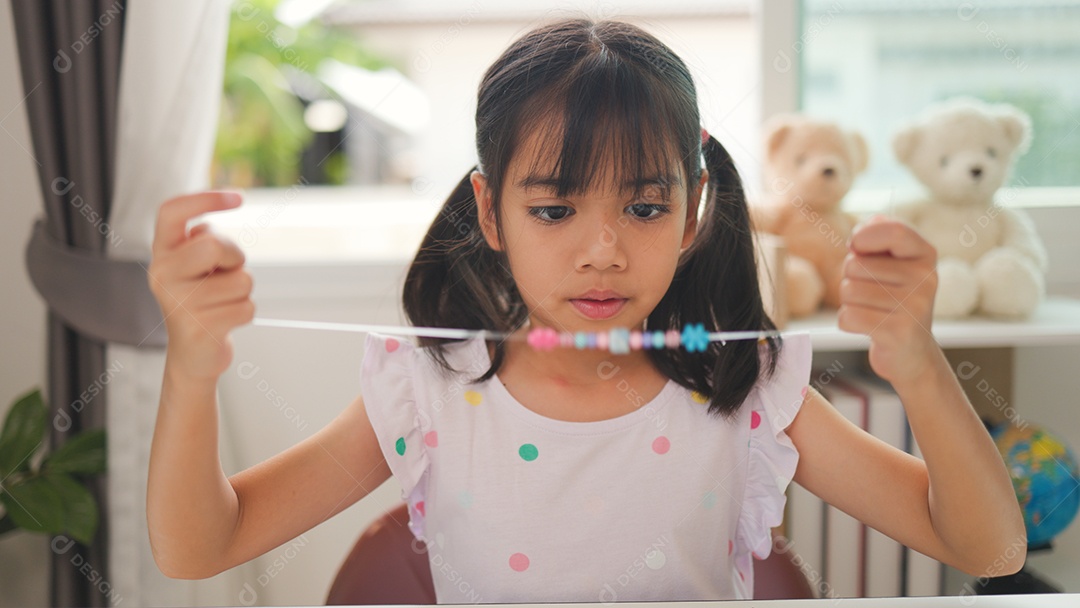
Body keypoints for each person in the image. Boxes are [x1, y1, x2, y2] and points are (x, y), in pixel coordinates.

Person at [145, 18, 1025, 602]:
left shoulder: (746, 384)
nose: (601, 249)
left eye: (644, 208)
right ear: (491, 213)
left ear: (695, 210)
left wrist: (916, 360)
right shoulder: (428, 386)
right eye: (554, 210)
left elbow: (989, 552)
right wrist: (190, 368)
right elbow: (199, 547)